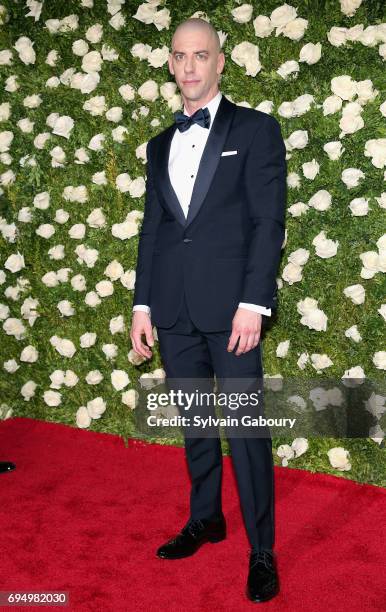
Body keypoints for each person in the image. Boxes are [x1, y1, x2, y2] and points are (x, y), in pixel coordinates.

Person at [130, 17, 287, 604]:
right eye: (180, 55)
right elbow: (155, 230)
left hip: (233, 309)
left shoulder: (258, 130)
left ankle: (262, 550)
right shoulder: (158, 145)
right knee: (196, 422)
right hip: (173, 308)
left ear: (221, 61)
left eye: (201, 55)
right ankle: (206, 519)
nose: (190, 66)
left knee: (245, 430)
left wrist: (254, 302)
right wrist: (143, 302)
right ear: (170, 64)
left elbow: (268, 222)